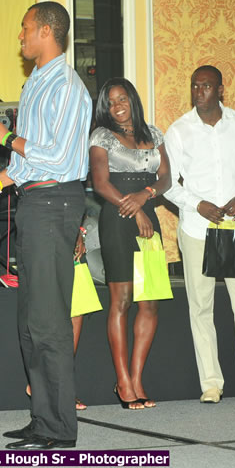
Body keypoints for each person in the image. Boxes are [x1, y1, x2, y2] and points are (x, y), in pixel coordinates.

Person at [0, 1, 92, 450]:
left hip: (54, 205)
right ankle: (41, 417)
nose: (20, 37)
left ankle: (59, 430)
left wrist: (3, 136)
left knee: (48, 325)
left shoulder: (65, 85)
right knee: (30, 323)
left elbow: (58, 158)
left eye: (25, 28)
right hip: (33, 202)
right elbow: (27, 163)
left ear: (47, 31)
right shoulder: (35, 85)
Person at [163, 65, 235, 404]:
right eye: (195, 86)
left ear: (221, 90)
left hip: (234, 228)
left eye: (207, 86)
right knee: (201, 307)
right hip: (199, 229)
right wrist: (197, 205)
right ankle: (211, 383)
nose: (199, 91)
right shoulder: (179, 130)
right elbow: (168, 184)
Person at [88, 77, 171, 409]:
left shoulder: (154, 134)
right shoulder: (101, 136)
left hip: (148, 218)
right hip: (119, 220)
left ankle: (137, 379)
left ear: (132, 99)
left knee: (149, 303)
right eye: (110, 102)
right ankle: (122, 382)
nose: (117, 106)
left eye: (122, 99)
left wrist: (146, 195)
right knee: (121, 301)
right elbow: (100, 183)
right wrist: (134, 209)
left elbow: (165, 177)